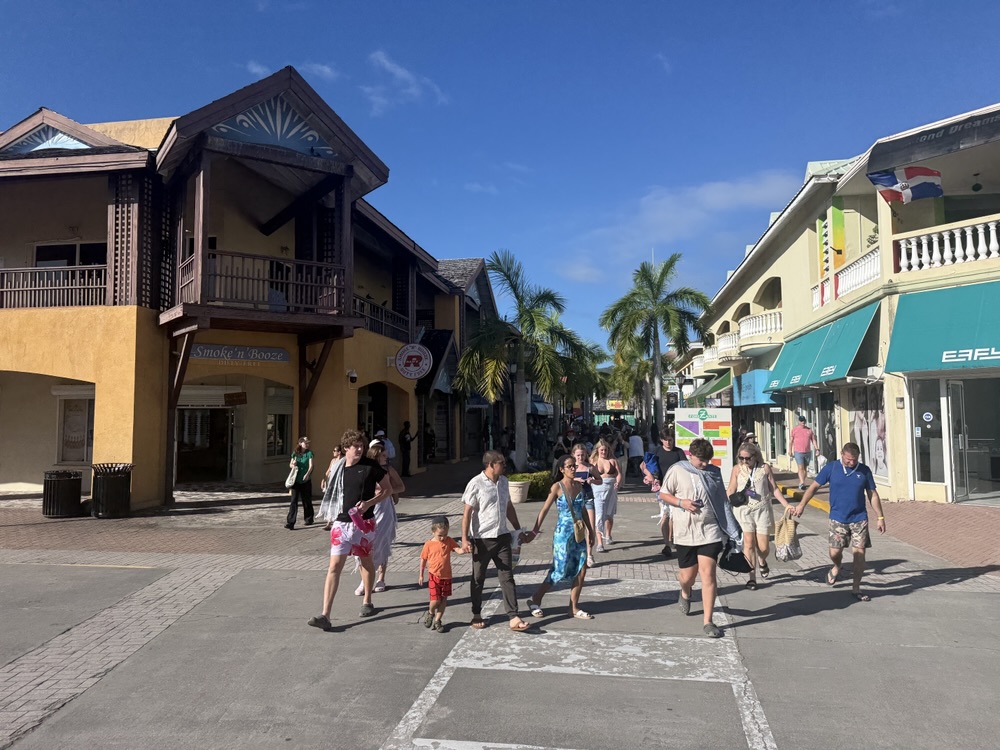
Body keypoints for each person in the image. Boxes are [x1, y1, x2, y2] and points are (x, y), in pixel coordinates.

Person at [307, 430, 393, 631]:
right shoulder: (338, 468)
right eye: (356, 447)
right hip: (340, 523)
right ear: (346, 448)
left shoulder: (371, 466)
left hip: (364, 524)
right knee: (334, 566)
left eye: (362, 446)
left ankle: (368, 601)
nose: (361, 449)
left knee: (366, 562)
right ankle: (325, 615)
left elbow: (388, 489)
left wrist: (369, 503)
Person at [658, 438, 743, 638]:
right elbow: (663, 494)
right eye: (701, 461)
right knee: (687, 576)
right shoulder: (678, 470)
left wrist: (731, 529)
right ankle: (685, 592)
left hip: (710, 530)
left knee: (708, 575)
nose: (705, 465)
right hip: (685, 531)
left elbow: (721, 501)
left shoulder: (713, 472)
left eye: (708, 460)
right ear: (691, 455)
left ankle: (708, 621)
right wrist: (681, 502)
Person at [793, 442, 886, 602]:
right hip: (838, 518)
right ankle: (837, 566)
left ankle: (856, 588)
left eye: (854, 460)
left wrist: (880, 517)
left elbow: (873, 494)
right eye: (849, 459)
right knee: (834, 552)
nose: (851, 463)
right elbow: (814, 487)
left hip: (859, 518)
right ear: (842, 454)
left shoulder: (864, 471)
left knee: (859, 554)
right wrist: (801, 505)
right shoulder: (832, 468)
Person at [461, 450, 533, 632]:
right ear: (491, 464)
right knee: (478, 577)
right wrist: (464, 539)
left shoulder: (504, 482)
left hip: (502, 536)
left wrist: (517, 529)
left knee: (507, 576)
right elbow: (467, 513)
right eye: (501, 463)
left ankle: (513, 616)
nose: (505, 466)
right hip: (482, 539)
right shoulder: (475, 484)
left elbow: (508, 507)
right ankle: (476, 613)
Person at [525, 455, 596, 620]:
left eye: (574, 466)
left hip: (578, 534)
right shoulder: (557, 487)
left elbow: (583, 510)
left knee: (582, 568)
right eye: (569, 466)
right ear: (562, 469)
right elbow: (544, 509)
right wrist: (535, 531)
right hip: (563, 535)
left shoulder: (579, 485)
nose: (573, 469)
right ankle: (536, 599)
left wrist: (590, 531)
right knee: (559, 570)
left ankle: (573, 607)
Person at [727, 441, 791, 590]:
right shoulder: (737, 469)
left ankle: (762, 561)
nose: (744, 461)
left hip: (762, 510)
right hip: (744, 511)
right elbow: (730, 489)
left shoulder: (764, 469)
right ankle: (752, 578)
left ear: (755, 457)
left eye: (747, 458)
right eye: (741, 458)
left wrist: (786, 505)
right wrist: (732, 499)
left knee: (763, 548)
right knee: (748, 544)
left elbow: (774, 489)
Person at [351, 441, 405, 595]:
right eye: (383, 456)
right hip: (367, 508)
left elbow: (401, 487)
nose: (386, 458)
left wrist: (386, 491)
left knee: (382, 541)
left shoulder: (388, 470)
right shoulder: (365, 469)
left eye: (386, 456)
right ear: (375, 456)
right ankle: (364, 580)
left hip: (384, 509)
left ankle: (381, 577)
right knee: (364, 542)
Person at [642, 427, 687, 558]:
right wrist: (650, 476)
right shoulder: (657, 451)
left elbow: (685, 467)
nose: (669, 443)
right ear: (661, 440)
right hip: (662, 487)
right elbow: (643, 466)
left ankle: (671, 538)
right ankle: (667, 543)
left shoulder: (678, 452)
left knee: (674, 515)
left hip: (677, 487)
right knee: (665, 514)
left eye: (671, 440)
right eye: (666, 440)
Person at [418, 515, 467, 632]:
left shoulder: (449, 541)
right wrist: (421, 574)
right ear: (433, 532)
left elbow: (457, 549)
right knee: (435, 600)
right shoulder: (428, 544)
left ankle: (438, 620)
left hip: (447, 576)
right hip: (434, 575)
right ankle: (430, 613)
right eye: (440, 535)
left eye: (445, 535)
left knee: (444, 599)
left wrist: (464, 550)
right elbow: (423, 559)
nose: (443, 538)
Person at [571, 443, 603, 565]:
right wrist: (575, 480)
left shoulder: (590, 467)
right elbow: (563, 481)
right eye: (578, 455)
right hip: (575, 499)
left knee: (590, 527)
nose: (580, 457)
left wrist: (593, 480)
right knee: (576, 527)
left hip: (588, 498)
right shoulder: (571, 467)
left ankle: (589, 555)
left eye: (583, 455)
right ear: (573, 455)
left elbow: (600, 480)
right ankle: (576, 553)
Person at [590, 438, 622, 550]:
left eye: (606, 450)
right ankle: (599, 542)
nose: (604, 452)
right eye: (602, 450)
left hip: (611, 488)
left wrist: (618, 482)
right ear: (597, 450)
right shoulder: (593, 461)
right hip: (598, 488)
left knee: (609, 514)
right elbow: (588, 474)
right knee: (599, 515)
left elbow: (618, 474)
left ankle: (608, 535)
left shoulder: (613, 460)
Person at [285, 437, 314, 530]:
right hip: (296, 480)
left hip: (305, 480)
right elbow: (290, 464)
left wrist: (307, 474)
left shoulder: (309, 453)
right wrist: (293, 465)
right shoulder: (295, 453)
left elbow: (311, 466)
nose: (307, 444)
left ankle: (309, 518)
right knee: (294, 501)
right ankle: (291, 522)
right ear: (300, 443)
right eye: (305, 443)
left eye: (308, 443)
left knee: (307, 500)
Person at [789, 415, 819, 490]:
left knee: (805, 468)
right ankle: (802, 483)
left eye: (804, 421)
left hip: (807, 451)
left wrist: (817, 448)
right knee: (800, 467)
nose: (803, 422)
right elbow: (791, 441)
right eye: (801, 421)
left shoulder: (809, 430)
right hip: (798, 452)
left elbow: (813, 440)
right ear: (799, 421)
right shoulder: (794, 430)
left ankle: (802, 481)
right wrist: (790, 450)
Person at [319, 445, 344, 531]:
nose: (333, 452)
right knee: (330, 502)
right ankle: (328, 523)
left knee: (338, 502)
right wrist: (324, 479)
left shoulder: (343, 461)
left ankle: (337, 521)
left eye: (334, 450)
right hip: (330, 482)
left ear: (339, 452)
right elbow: (328, 470)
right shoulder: (333, 460)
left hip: (339, 484)